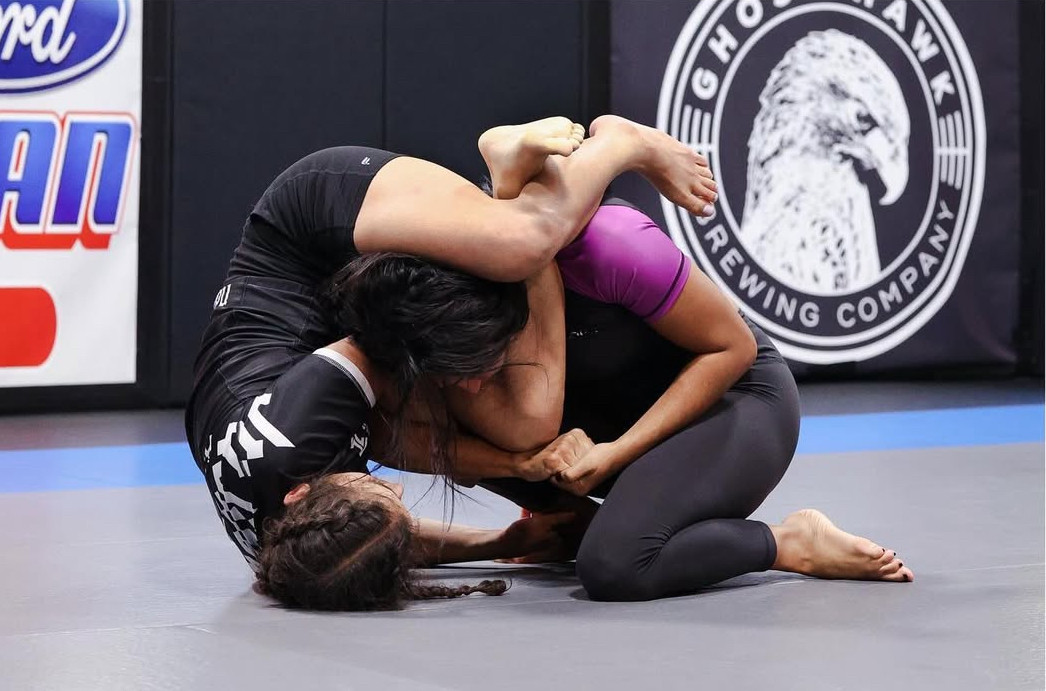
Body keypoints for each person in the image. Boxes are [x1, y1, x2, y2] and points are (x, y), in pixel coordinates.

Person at [185, 116, 715, 608]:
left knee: (522, 243)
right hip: (350, 303)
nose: (396, 488)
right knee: (521, 427)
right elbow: (375, 537)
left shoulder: (291, 431)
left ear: (300, 493)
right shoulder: (297, 555)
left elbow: (388, 344)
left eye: (378, 494)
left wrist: (473, 377)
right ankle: (510, 188)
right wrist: (501, 539)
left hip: (313, 230)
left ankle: (615, 145)